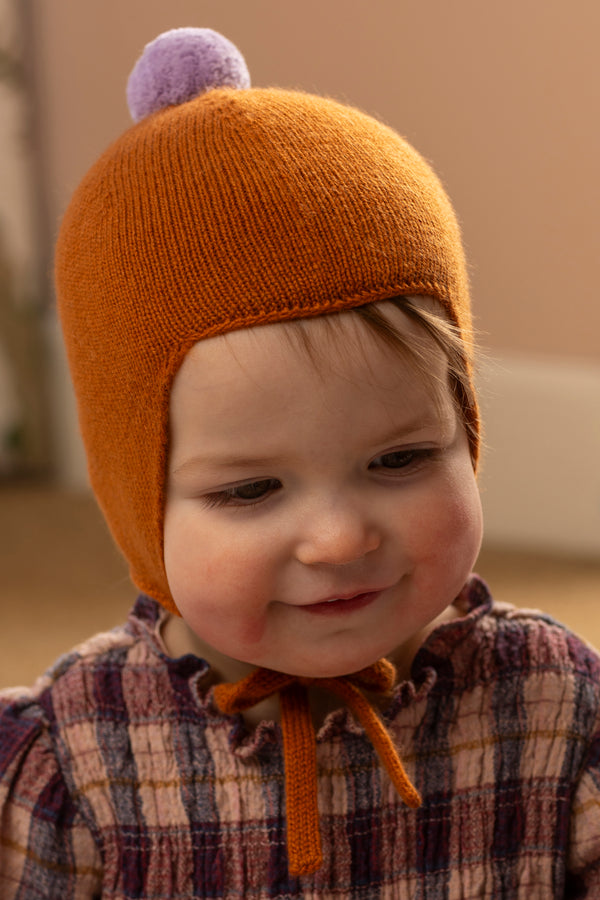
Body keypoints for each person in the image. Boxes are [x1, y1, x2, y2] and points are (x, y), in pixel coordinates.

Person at [1, 27, 598, 899]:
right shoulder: (75, 767)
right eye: (250, 489)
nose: (339, 537)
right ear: (136, 501)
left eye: (399, 458)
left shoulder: (556, 713)